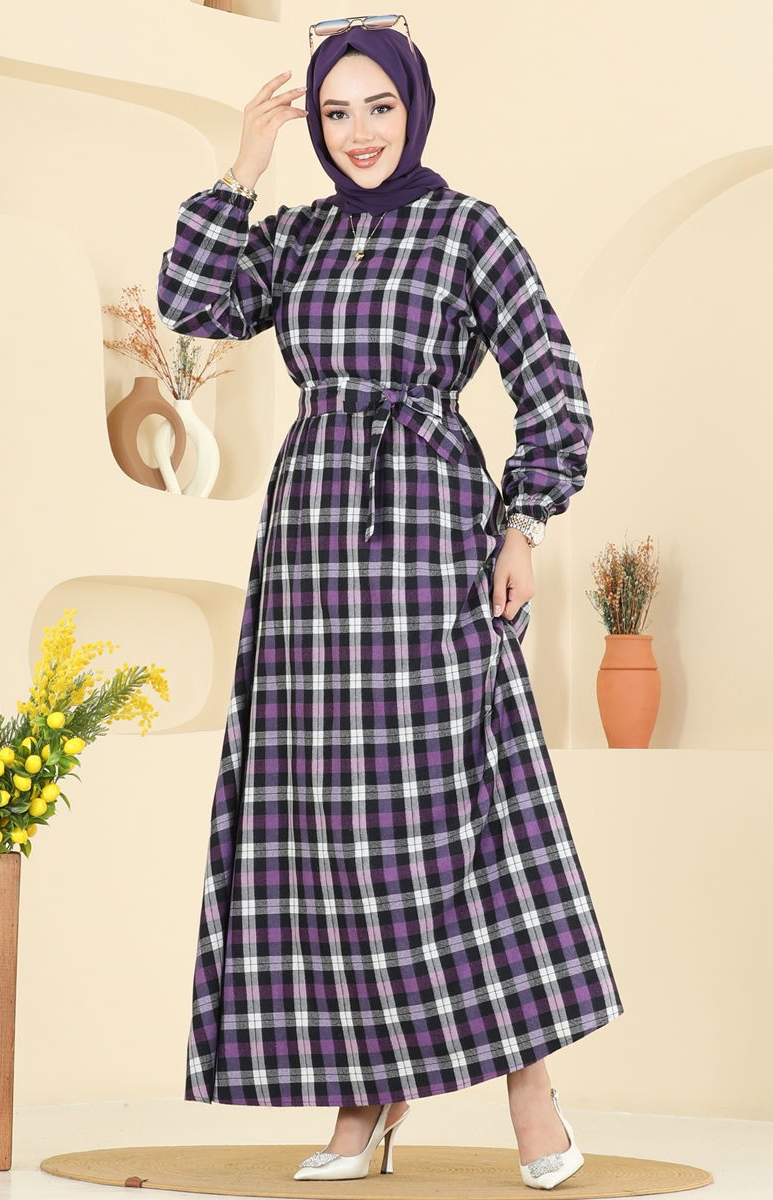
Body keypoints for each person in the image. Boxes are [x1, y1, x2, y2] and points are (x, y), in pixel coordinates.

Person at [157, 17, 624, 1191]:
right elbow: (194, 304)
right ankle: (363, 1097)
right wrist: (244, 164)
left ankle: (529, 1093)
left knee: (464, 811)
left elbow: (550, 382)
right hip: (312, 551)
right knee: (325, 821)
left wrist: (523, 525)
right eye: (333, 112)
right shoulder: (298, 234)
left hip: (428, 537)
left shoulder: (469, 229)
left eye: (378, 107)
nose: (358, 132)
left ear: (413, 107)